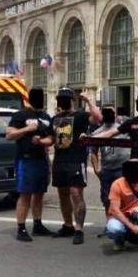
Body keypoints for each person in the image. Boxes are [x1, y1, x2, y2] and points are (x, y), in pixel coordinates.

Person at [50, 87, 102, 244]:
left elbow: (98, 118)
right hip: (59, 160)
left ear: (72, 100)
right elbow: (52, 138)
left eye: (65, 99)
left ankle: (79, 228)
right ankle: (68, 225)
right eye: (60, 99)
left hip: (75, 160)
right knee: (63, 194)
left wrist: (88, 100)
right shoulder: (55, 118)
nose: (63, 102)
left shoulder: (80, 115)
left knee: (76, 193)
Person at [6, 87, 54, 241]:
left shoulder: (46, 117)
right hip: (25, 159)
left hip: (41, 159)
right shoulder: (20, 115)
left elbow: (51, 139)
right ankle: (21, 228)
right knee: (25, 194)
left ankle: (38, 224)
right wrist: (27, 129)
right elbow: (9, 135)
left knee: (39, 193)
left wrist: (40, 142)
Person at [91, 106, 131, 214]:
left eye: (111, 112)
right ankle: (110, 223)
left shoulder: (123, 129)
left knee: (124, 197)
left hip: (122, 169)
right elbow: (93, 152)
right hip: (107, 169)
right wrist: (96, 169)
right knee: (107, 199)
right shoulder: (97, 133)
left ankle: (124, 223)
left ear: (115, 114)